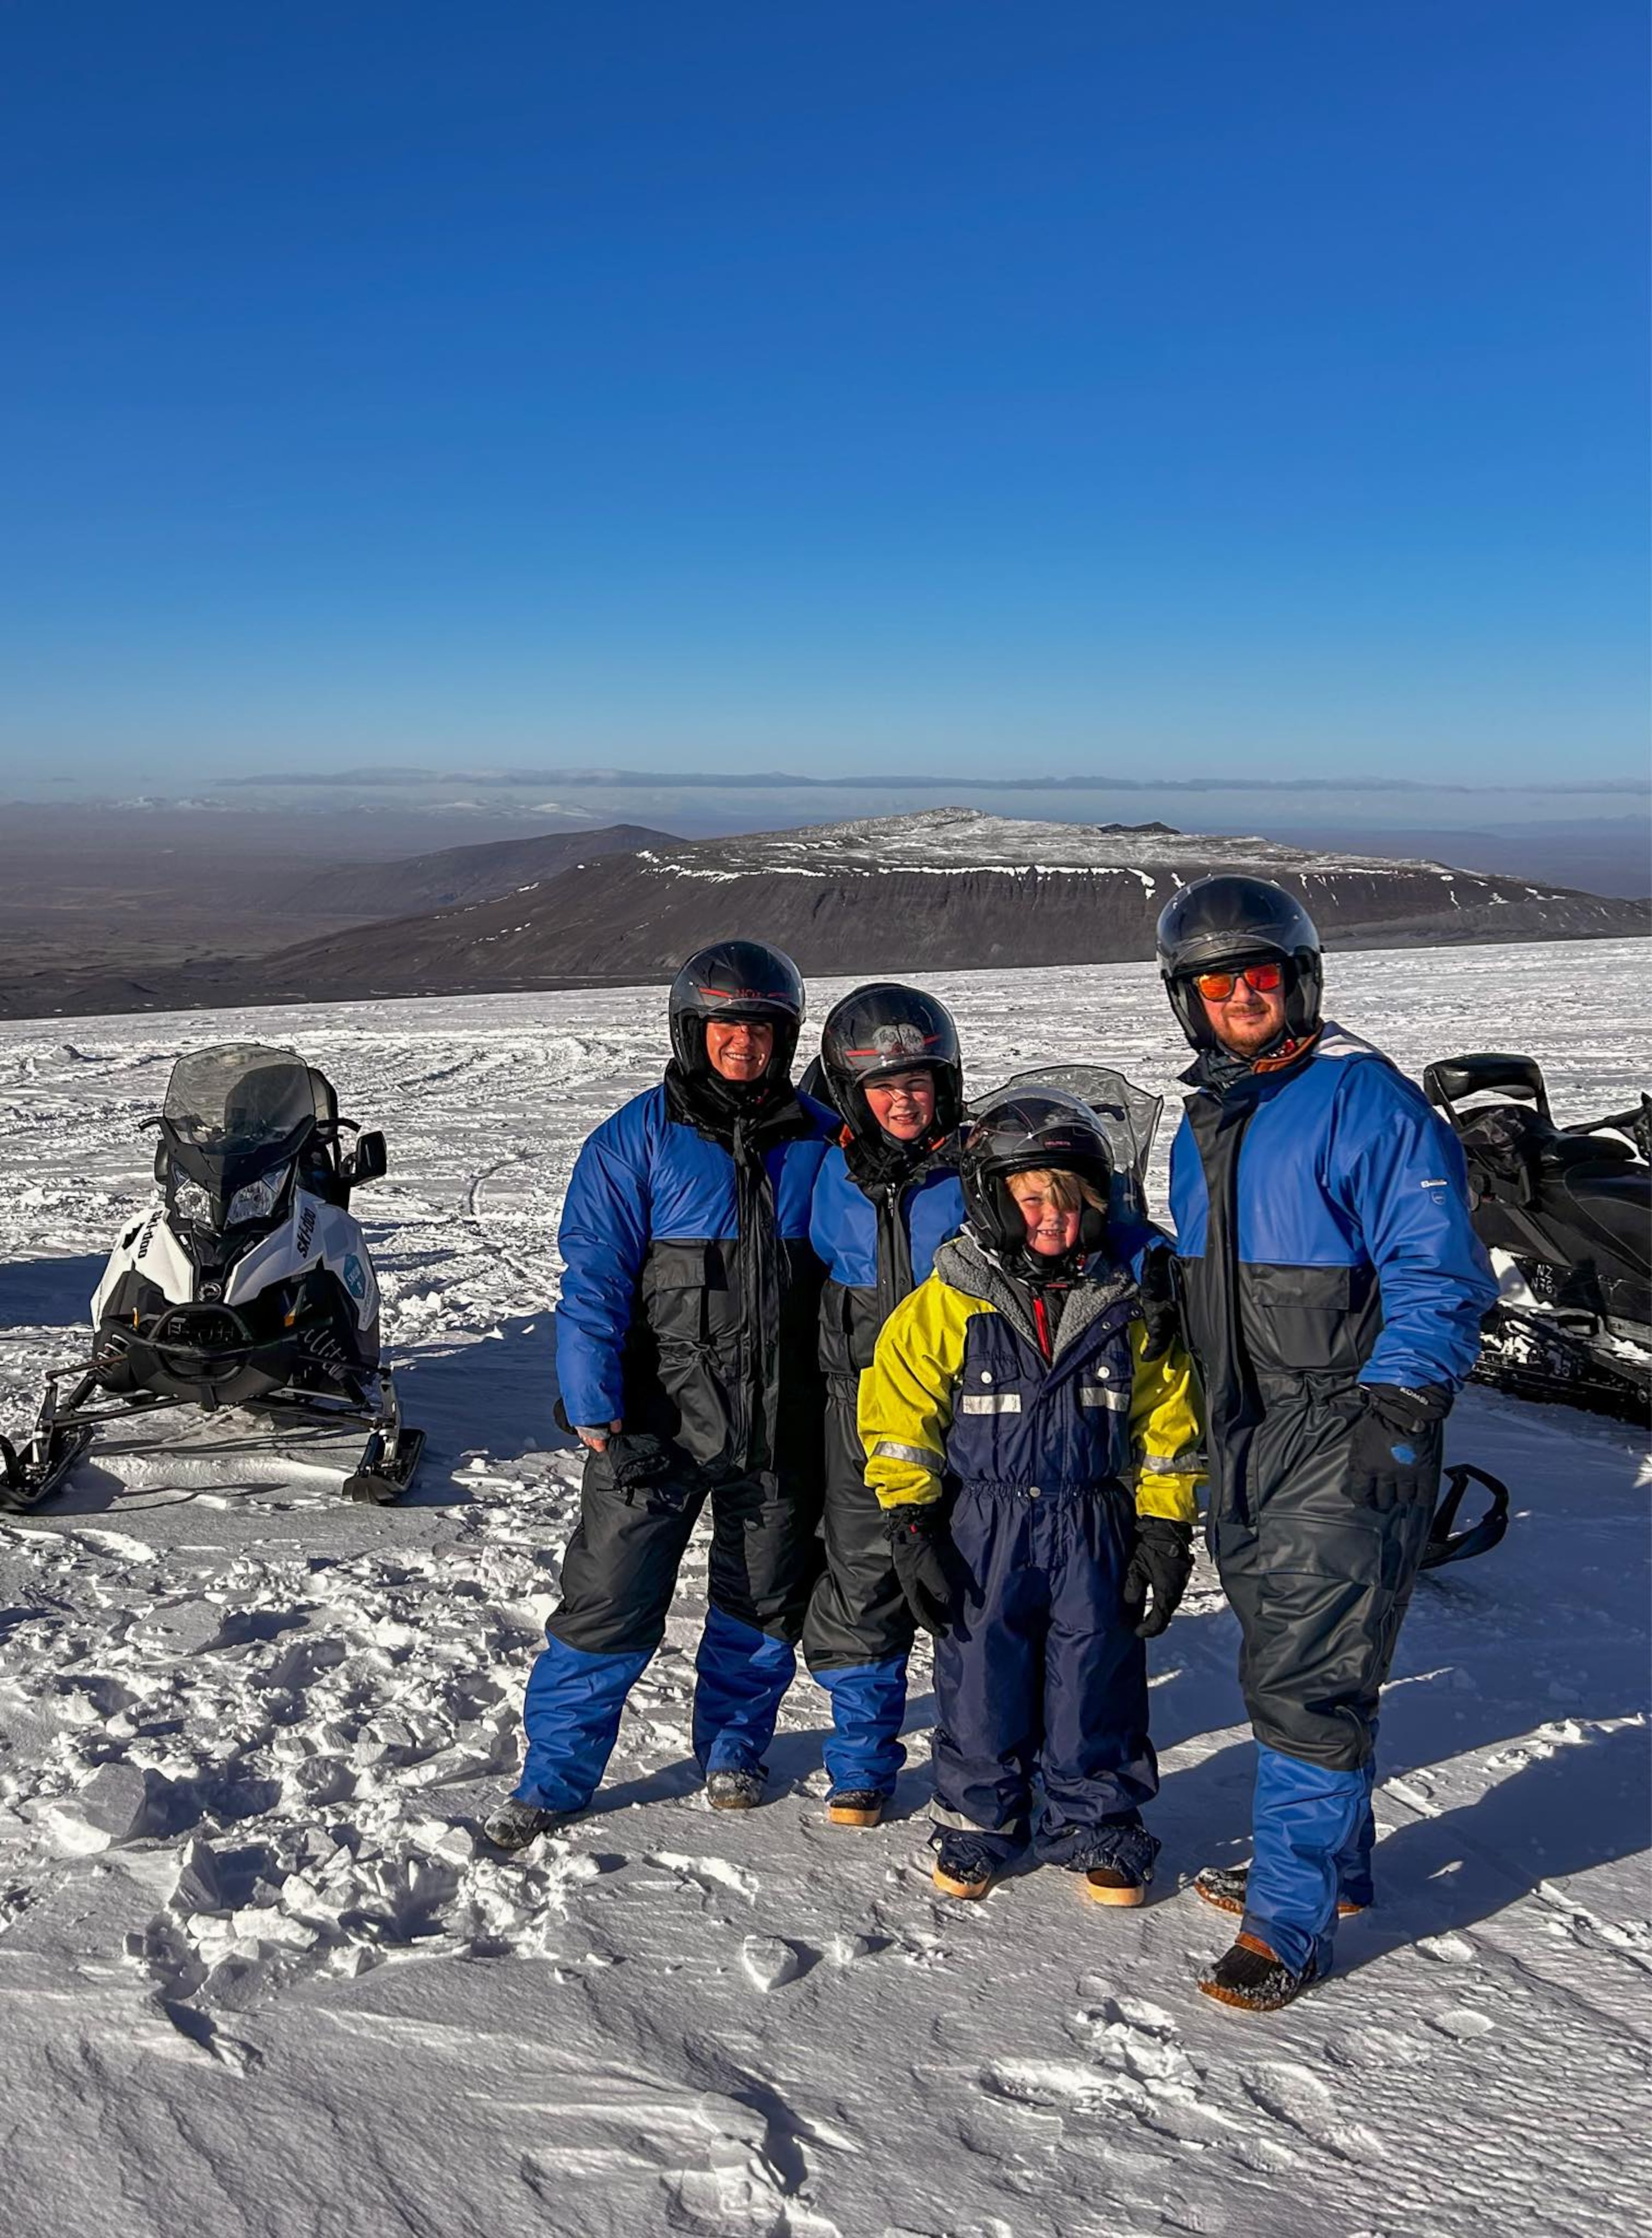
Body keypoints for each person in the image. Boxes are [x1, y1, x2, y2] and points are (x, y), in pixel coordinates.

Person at [1156, 875, 1497, 2011]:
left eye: (1259, 976)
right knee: (1291, 1660)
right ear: (1187, 1002)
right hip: (1244, 1431)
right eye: (1217, 984)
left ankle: (1288, 1921)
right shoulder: (1212, 1115)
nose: (1241, 998)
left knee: (1308, 1677)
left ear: (1297, 980)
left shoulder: (1369, 1103)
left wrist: (1396, 1408)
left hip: (1344, 1424)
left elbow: (1437, 1267)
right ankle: (1338, 1864)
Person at [486, 939, 834, 1851]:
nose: (743, 1045)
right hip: (656, 1428)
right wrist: (598, 1417)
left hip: (779, 1425)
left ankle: (733, 1750)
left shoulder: (820, 1138)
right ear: (691, 1032)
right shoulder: (633, 1141)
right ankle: (554, 1779)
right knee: (606, 1604)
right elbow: (592, 1283)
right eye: (725, 1027)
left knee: (760, 1607)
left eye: (761, 1028)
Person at [857, 1087, 1205, 1904]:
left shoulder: (1130, 1301)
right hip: (986, 1520)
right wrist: (911, 1520)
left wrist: (1164, 1526)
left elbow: (1169, 1419)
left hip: (1094, 1516)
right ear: (990, 1201)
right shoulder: (951, 1300)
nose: (1052, 1216)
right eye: (1029, 1197)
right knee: (982, 1669)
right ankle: (979, 1817)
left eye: (1071, 1197)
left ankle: (1099, 1816)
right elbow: (899, 1411)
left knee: (1099, 1668)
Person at [802, 983, 968, 1828]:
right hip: (855, 1408)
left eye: (918, 1082)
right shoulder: (817, 1168)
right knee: (863, 1577)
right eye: (882, 1085)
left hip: (968, 1411)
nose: (903, 1100)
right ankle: (861, 1762)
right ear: (850, 1094)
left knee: (970, 1584)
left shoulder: (977, 1166)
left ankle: (983, 1765)